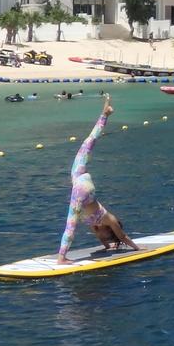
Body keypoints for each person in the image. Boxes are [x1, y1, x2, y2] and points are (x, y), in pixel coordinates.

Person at [56, 96, 140, 263]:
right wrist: (137, 249)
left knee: (88, 143)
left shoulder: (104, 221)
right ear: (108, 231)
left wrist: (112, 246)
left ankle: (105, 114)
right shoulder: (101, 222)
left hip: (81, 183)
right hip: (82, 187)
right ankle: (61, 257)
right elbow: (121, 237)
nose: (102, 237)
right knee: (70, 226)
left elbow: (117, 237)